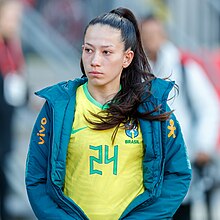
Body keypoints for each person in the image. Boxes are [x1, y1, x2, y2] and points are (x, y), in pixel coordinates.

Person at [25, 7, 191, 220]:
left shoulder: (151, 105)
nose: (94, 60)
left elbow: (177, 174)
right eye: (88, 50)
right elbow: (36, 179)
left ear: (127, 58)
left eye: (106, 52)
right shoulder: (58, 107)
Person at [140, 15, 220, 220]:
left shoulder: (183, 65)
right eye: (146, 35)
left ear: (164, 34)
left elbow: (209, 106)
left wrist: (203, 145)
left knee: (180, 210)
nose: (151, 39)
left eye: (154, 34)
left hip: (181, 155)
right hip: (148, 160)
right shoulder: (138, 70)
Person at [0, 0, 25, 219]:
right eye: (11, 17)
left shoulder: (10, 45)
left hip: (6, 123)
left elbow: (17, 80)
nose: (16, 22)